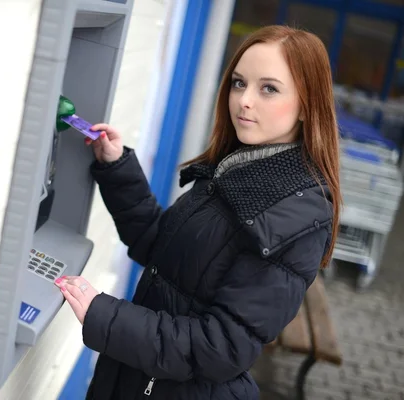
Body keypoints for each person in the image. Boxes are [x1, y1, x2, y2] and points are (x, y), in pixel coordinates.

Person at [54, 25, 341, 399]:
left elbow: (220, 347)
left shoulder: (295, 214)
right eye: (239, 83)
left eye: (268, 88)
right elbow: (162, 249)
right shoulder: (234, 170)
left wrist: (105, 315)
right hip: (136, 379)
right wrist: (117, 168)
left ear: (307, 105)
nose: (244, 101)